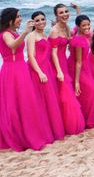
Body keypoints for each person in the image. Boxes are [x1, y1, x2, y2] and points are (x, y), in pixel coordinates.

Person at [0, 8, 54, 151]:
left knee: (25, 101)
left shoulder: (14, 33)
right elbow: (12, 46)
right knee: (13, 102)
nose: (20, 19)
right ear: (10, 19)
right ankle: (17, 135)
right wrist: (26, 32)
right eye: (18, 17)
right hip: (11, 70)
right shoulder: (5, 34)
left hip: (21, 68)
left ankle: (26, 132)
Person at [26, 11, 65, 140]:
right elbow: (31, 56)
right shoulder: (32, 35)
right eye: (37, 20)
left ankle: (52, 130)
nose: (41, 22)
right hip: (38, 71)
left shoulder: (44, 34)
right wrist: (39, 72)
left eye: (43, 19)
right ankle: (43, 132)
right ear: (33, 23)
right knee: (41, 101)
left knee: (50, 100)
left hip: (48, 69)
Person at [48, 4, 85, 135]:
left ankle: (65, 123)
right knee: (64, 94)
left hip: (64, 62)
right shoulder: (54, 31)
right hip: (55, 64)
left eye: (66, 11)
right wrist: (58, 71)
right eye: (61, 13)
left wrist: (78, 11)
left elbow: (78, 28)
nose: (64, 14)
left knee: (65, 93)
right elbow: (52, 53)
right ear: (56, 15)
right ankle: (67, 125)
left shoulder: (67, 28)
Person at [70, 15, 94, 129]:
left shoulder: (85, 34)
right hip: (78, 68)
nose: (86, 27)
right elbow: (78, 62)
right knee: (92, 91)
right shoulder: (78, 40)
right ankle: (90, 120)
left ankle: (87, 119)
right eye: (83, 26)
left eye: (88, 25)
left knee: (87, 93)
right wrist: (76, 82)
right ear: (78, 26)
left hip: (86, 66)